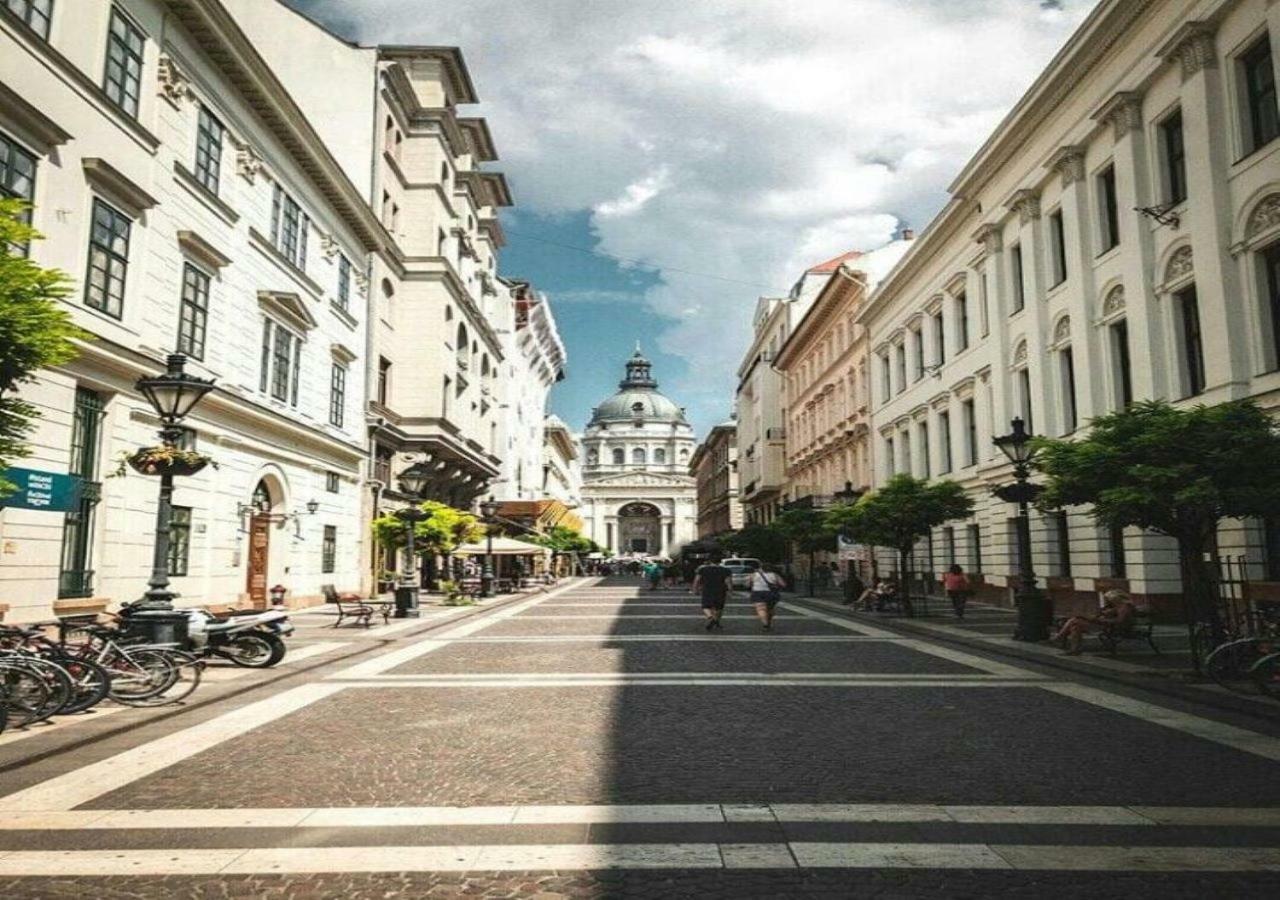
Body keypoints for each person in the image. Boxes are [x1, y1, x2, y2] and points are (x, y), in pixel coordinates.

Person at [1052, 589, 1136, 655]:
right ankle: (1074, 649)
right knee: (1075, 625)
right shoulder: (1116, 606)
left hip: (1110, 627)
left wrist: (1103, 620)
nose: (1109, 601)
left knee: (1075, 621)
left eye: (1110, 599)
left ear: (1116, 598)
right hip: (1104, 625)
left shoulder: (1125, 607)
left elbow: (1119, 621)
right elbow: (1104, 614)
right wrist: (1099, 615)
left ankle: (1060, 638)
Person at [692, 554, 733, 630]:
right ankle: (717, 621)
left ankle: (710, 617)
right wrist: (730, 591)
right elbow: (728, 582)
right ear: (720, 561)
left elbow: (697, 580)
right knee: (719, 608)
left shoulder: (703, 569)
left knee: (705, 606)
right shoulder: (726, 570)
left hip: (707, 590)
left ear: (710, 561)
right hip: (721, 590)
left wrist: (695, 589)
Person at [749, 564, 786, 630]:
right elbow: (783, 584)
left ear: (762, 568)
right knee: (770, 609)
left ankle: (765, 624)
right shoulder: (775, 575)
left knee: (761, 609)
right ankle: (769, 622)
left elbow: (747, 584)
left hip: (758, 592)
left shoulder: (754, 575)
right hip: (771, 593)